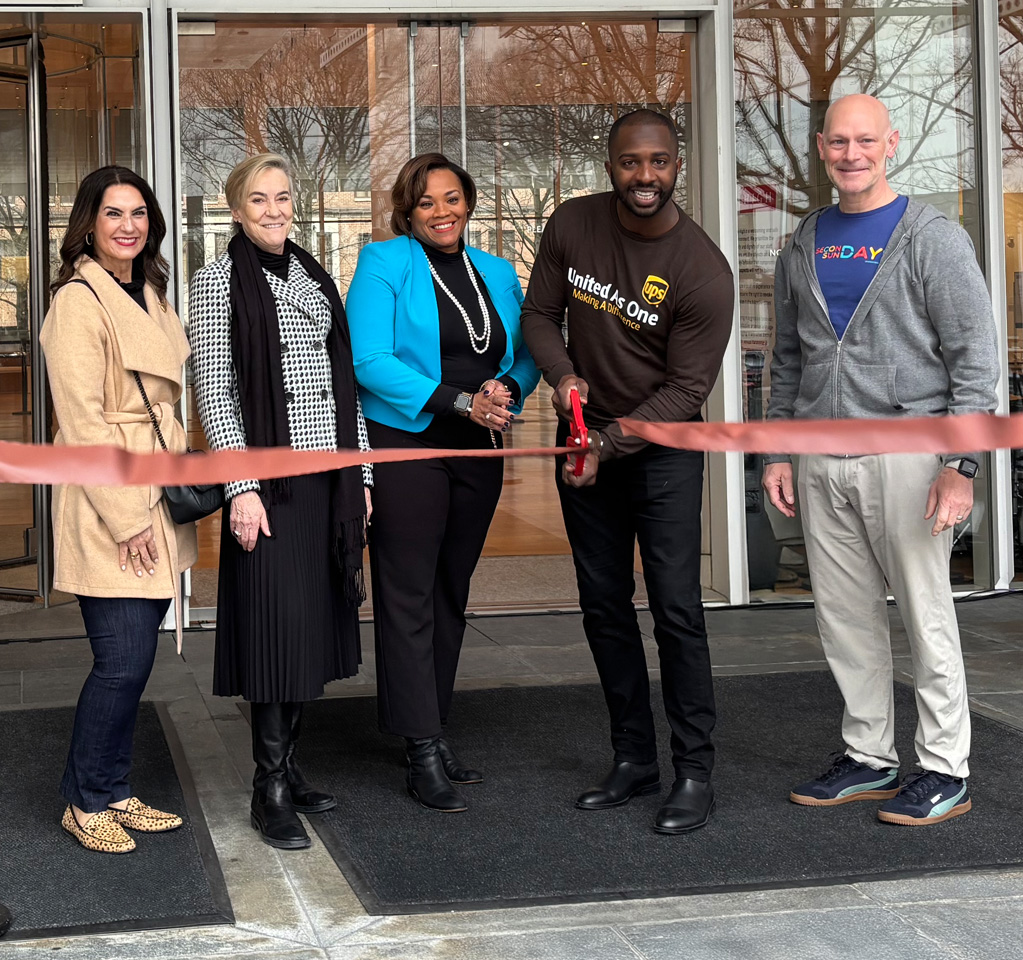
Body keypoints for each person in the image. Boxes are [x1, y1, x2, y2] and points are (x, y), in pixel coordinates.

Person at [762, 94, 999, 825]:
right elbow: (787, 358)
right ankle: (868, 756)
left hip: (909, 457)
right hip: (820, 457)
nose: (851, 154)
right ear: (821, 147)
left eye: (865, 140)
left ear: (890, 143)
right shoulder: (803, 240)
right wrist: (777, 448)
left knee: (925, 615)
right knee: (843, 616)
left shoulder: (930, 236)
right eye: (838, 142)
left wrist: (961, 469)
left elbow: (974, 360)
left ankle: (943, 768)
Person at [520, 110, 733, 834]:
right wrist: (562, 374)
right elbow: (540, 315)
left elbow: (684, 393)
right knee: (603, 606)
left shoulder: (702, 269)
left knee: (675, 610)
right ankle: (633, 759)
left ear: (677, 165)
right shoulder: (572, 225)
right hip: (585, 440)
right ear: (608, 164)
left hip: (659, 451)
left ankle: (694, 771)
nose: (645, 177)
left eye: (659, 162)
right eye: (629, 162)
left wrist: (608, 443)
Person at [188, 153, 372, 849]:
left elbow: (342, 385)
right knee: (273, 629)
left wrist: (360, 479)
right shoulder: (215, 283)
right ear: (236, 210)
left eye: (283, 197)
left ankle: (288, 768)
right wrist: (241, 487)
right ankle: (267, 788)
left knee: (308, 627)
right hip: (269, 485)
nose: (273, 210)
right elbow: (216, 391)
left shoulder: (316, 278)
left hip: (326, 478)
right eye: (258, 199)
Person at [346, 153, 539, 812]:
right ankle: (420, 744)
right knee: (407, 594)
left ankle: (432, 724)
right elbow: (366, 359)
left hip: (478, 451)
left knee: (450, 590)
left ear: (469, 201)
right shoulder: (383, 263)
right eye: (426, 202)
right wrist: (460, 401)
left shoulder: (496, 271)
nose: (441, 212)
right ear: (408, 209)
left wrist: (508, 385)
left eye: (451, 198)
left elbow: (527, 353)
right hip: (407, 444)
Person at [41, 165, 198, 853]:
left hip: (154, 478)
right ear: (89, 223)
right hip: (113, 496)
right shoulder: (78, 301)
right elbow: (82, 421)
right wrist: (129, 517)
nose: (128, 225)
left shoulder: (148, 290)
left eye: (139, 213)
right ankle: (85, 800)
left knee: (134, 661)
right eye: (113, 213)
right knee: (121, 660)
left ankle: (112, 786)